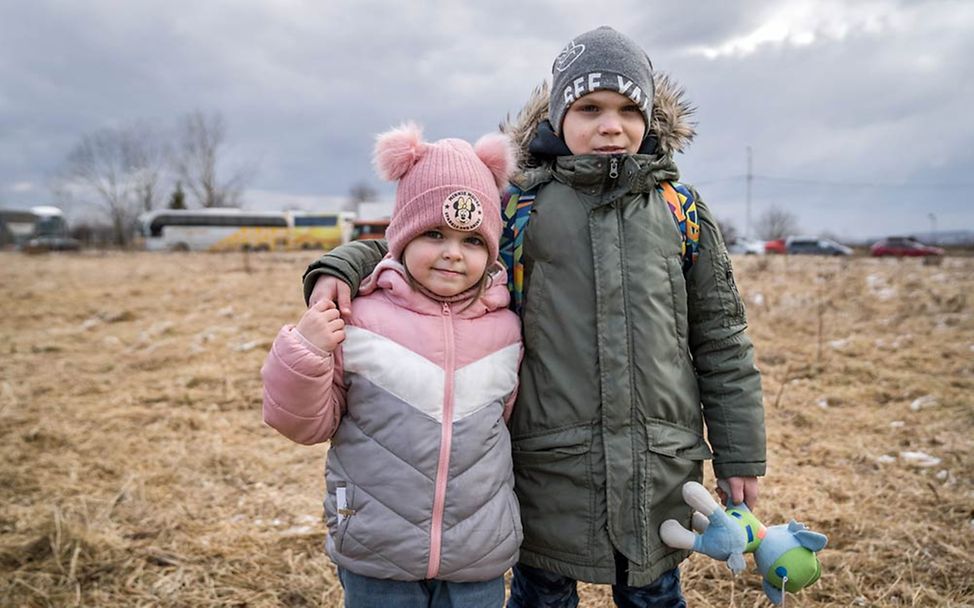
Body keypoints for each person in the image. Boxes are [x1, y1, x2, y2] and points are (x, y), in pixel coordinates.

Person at [303, 26, 766, 608]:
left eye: (628, 109)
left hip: (659, 465)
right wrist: (339, 267)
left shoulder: (681, 211)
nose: (610, 126)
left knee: (654, 596)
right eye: (590, 107)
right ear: (557, 114)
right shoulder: (519, 203)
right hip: (546, 466)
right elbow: (422, 238)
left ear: (650, 117)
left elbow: (723, 339)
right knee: (542, 596)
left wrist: (739, 453)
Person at [261, 123, 524, 608]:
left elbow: (504, 423)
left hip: (478, 556)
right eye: (434, 233)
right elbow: (302, 423)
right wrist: (306, 350)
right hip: (375, 549)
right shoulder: (359, 317)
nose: (452, 252)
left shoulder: (507, 329)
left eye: (472, 241)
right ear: (399, 239)